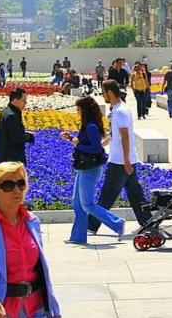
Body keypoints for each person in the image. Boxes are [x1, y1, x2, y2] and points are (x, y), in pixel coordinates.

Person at [0, 162, 62, 318]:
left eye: (21, 184)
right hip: (3, 309)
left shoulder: (32, 221)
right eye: (8, 185)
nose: (17, 190)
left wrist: (54, 309)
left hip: (37, 307)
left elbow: (42, 270)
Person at [88, 80, 150, 233]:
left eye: (103, 92)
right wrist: (102, 144)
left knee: (107, 195)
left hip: (120, 162)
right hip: (126, 160)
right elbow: (115, 134)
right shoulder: (117, 109)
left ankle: (91, 225)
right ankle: (148, 222)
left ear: (110, 92)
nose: (103, 95)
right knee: (135, 195)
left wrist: (126, 160)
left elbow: (125, 136)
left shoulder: (120, 111)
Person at [64, 96, 125, 243]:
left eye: (79, 109)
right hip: (84, 168)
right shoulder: (88, 125)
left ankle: (117, 223)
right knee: (78, 204)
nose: (77, 112)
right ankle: (78, 237)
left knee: (87, 205)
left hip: (90, 169)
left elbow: (96, 149)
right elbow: (86, 143)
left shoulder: (91, 127)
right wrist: (71, 139)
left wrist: (77, 144)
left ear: (85, 110)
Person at [0, 88, 36, 164]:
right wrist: (29, 136)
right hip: (12, 158)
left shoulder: (7, 111)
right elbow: (17, 137)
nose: (26, 103)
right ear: (15, 100)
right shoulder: (12, 115)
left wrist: (25, 133)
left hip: (5, 156)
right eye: (23, 100)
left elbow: (11, 132)